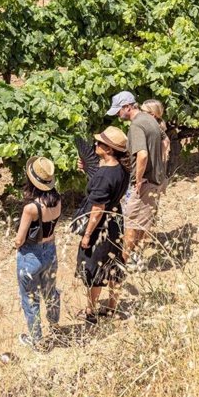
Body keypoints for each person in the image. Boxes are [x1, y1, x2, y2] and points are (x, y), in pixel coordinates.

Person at [75, 127, 130, 325]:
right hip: (115, 221)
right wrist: (89, 173)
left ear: (109, 150)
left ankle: (90, 312)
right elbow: (103, 188)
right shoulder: (121, 168)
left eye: (99, 143)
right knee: (114, 264)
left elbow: (97, 209)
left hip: (102, 226)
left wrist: (88, 234)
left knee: (95, 268)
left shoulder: (105, 175)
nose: (95, 145)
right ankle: (112, 307)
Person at [106, 91, 166, 265]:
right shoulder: (151, 120)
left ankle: (122, 263)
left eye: (119, 111)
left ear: (128, 106)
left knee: (131, 223)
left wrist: (138, 179)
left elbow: (142, 155)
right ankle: (135, 256)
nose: (118, 115)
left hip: (145, 183)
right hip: (155, 181)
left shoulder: (137, 125)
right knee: (142, 222)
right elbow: (165, 142)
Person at [14, 156, 61, 351]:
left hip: (31, 255)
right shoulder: (58, 199)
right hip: (50, 250)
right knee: (50, 292)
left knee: (30, 298)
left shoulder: (31, 208)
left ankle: (37, 340)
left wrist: (16, 245)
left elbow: (19, 239)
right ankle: (55, 327)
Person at [141, 99, 171, 166]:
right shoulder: (159, 128)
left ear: (152, 115)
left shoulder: (152, 131)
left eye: (143, 111)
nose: (140, 113)